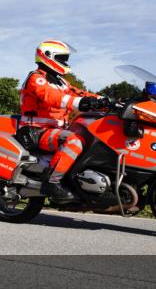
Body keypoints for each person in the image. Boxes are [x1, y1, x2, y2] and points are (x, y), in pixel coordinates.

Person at [19, 40, 108, 204]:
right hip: (37, 131)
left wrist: (104, 100)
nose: (65, 62)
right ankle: (52, 182)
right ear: (48, 57)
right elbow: (51, 97)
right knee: (73, 140)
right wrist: (79, 103)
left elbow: (79, 93)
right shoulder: (36, 78)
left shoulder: (60, 81)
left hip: (54, 130)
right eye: (62, 58)